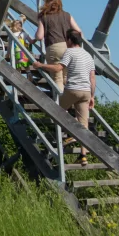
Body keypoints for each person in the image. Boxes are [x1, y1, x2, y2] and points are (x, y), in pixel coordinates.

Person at [33, 29, 95, 167]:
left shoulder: (70, 52)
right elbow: (92, 77)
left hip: (73, 89)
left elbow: (58, 68)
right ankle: (83, 156)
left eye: (66, 39)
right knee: (84, 125)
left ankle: (72, 133)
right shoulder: (88, 55)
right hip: (86, 92)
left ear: (70, 40)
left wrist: (40, 65)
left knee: (57, 111)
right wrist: (92, 96)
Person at [35, 0, 81, 93]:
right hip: (68, 47)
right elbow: (79, 31)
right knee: (66, 77)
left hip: (54, 47)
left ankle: (60, 106)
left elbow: (39, 36)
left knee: (57, 78)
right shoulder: (67, 15)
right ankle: (69, 101)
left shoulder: (43, 16)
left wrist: (34, 37)